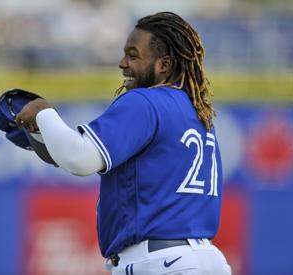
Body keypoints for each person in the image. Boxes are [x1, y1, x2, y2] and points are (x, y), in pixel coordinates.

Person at [15, 11, 231, 275]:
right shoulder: (198, 113)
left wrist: (43, 112)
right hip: (207, 260)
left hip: (161, 262)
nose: (122, 63)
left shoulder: (145, 102)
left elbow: (80, 159)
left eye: (133, 54)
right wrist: (40, 131)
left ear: (163, 64)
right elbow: (69, 154)